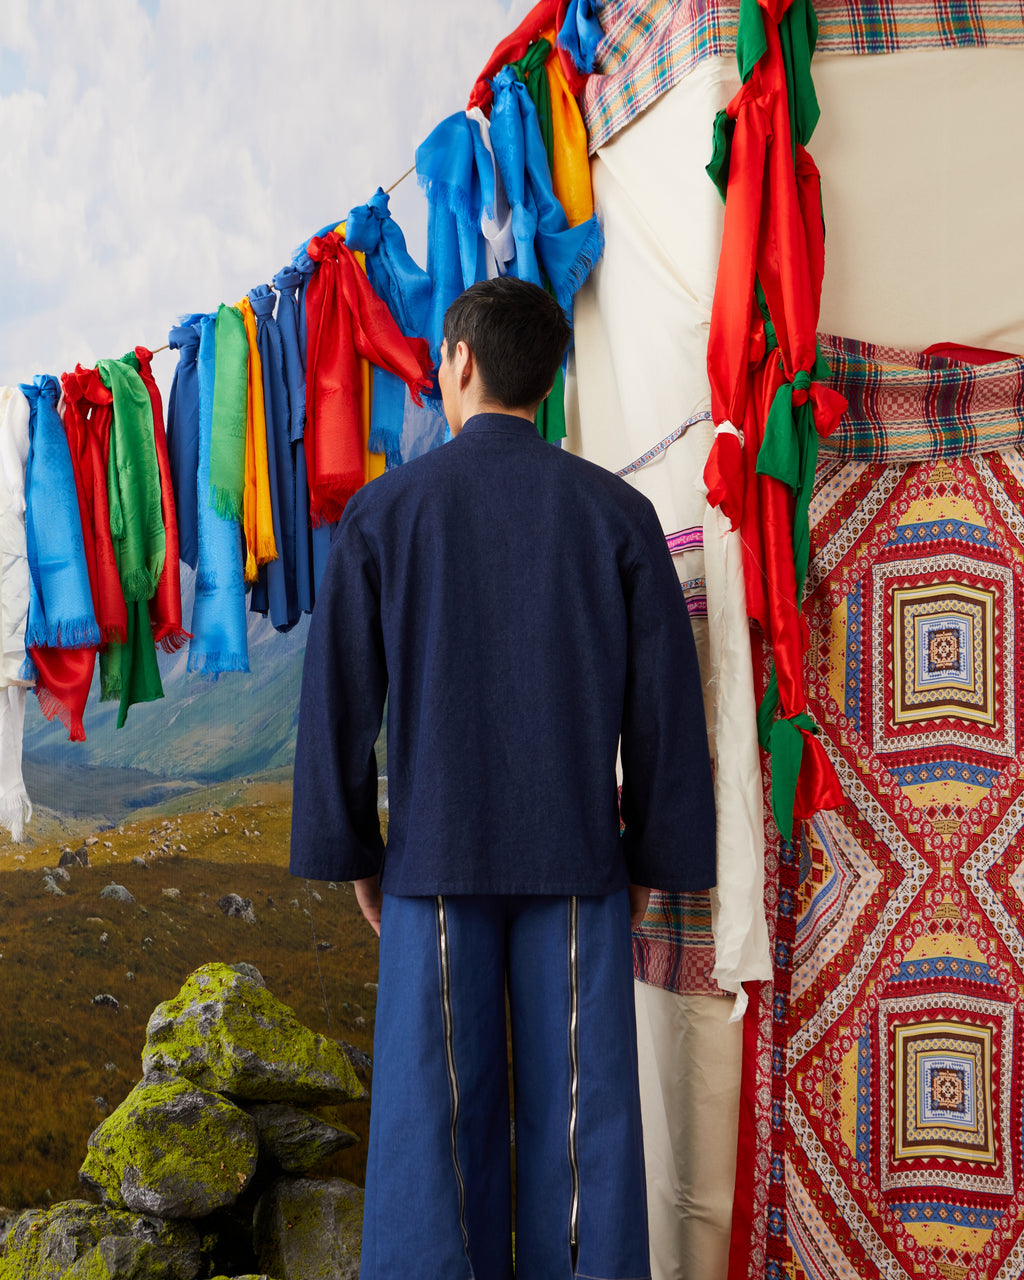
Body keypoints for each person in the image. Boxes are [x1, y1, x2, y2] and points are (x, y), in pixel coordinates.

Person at [290, 276, 716, 1280]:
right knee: (584, 1129)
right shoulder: (618, 513)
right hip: (577, 861)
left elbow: (338, 703)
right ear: (548, 377)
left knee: (431, 1133)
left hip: (433, 863)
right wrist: (650, 858)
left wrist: (359, 854)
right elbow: (665, 706)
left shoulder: (384, 513)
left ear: (459, 360)